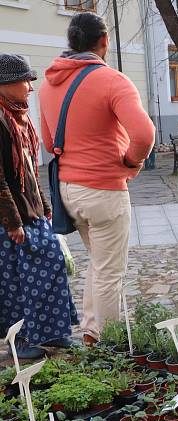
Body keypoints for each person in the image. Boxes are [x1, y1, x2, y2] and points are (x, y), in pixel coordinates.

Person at [39, 13, 154, 346]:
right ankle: (106, 344)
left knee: (99, 265)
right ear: (103, 40)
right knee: (109, 273)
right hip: (104, 191)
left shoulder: (48, 84)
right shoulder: (112, 80)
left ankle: (92, 331)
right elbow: (144, 134)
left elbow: (49, 143)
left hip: (68, 190)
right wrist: (131, 161)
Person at [0, 54, 78, 359]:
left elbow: (30, 169)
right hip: (11, 219)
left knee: (52, 268)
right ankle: (19, 341)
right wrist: (12, 222)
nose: (30, 88)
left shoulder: (18, 117)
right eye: (25, 81)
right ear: (5, 84)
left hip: (32, 212)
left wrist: (45, 206)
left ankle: (54, 332)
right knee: (17, 283)